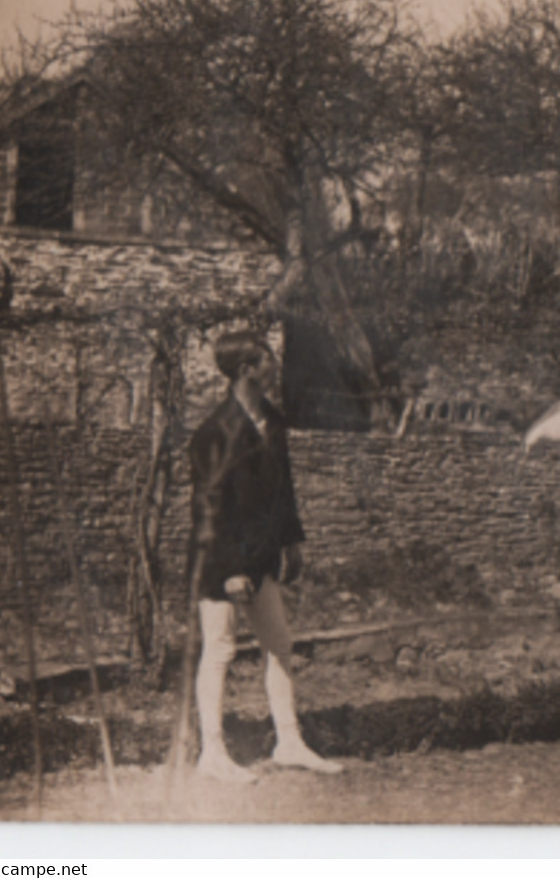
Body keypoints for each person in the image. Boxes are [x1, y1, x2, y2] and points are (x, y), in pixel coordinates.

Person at [188, 331, 343, 783]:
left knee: (279, 646)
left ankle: (289, 742)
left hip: (261, 559)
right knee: (219, 650)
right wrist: (231, 569)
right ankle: (212, 754)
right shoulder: (214, 433)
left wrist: (291, 541)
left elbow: (285, 491)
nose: (276, 367)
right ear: (245, 371)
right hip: (219, 562)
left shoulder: (272, 421)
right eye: (267, 360)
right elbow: (207, 511)